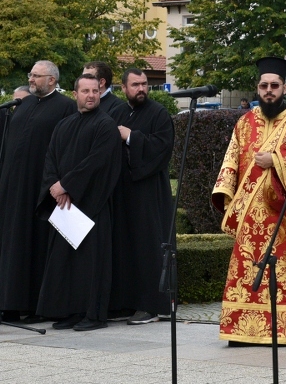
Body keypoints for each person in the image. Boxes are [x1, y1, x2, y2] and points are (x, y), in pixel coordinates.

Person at [212, 57, 286, 345]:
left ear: (285, 88)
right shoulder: (244, 122)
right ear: (258, 88)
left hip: (283, 216)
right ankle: (241, 330)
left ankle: (282, 330)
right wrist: (227, 199)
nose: (269, 91)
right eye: (264, 86)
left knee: (282, 273)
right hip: (248, 217)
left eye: (274, 86)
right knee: (245, 273)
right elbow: (231, 160)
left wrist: (278, 160)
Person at [35, 74, 121, 331]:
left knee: (92, 264)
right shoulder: (64, 125)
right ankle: (71, 311)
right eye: (85, 91)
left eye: (95, 91)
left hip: (93, 205)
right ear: (75, 94)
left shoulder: (105, 125)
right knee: (66, 263)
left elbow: (97, 162)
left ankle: (94, 315)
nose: (91, 95)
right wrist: (55, 186)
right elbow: (50, 158)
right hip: (66, 207)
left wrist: (67, 186)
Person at [0, 62, 77, 322]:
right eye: (30, 75)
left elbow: (66, 149)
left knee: (35, 245)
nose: (31, 79)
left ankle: (35, 307)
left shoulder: (65, 107)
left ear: (52, 80)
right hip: (13, 189)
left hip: (41, 189)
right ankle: (9, 303)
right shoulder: (24, 104)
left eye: (36, 75)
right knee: (12, 244)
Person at [109, 68, 175, 325]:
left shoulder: (158, 113)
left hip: (149, 192)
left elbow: (162, 148)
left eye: (144, 84)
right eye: (135, 84)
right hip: (122, 191)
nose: (141, 89)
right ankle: (125, 302)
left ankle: (151, 306)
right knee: (124, 245)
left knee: (148, 245)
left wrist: (131, 138)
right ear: (124, 88)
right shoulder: (117, 112)